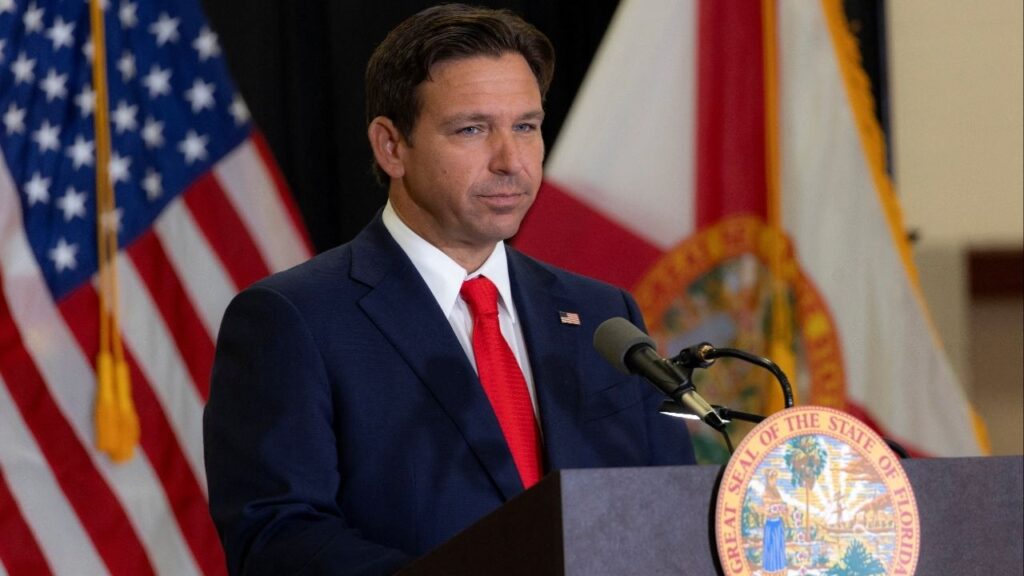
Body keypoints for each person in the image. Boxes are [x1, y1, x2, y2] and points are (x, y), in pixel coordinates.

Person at [203, 5, 696, 575]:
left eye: (526, 127)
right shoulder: (293, 320)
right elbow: (276, 538)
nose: (511, 161)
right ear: (392, 146)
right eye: (472, 129)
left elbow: (669, 512)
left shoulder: (602, 317)